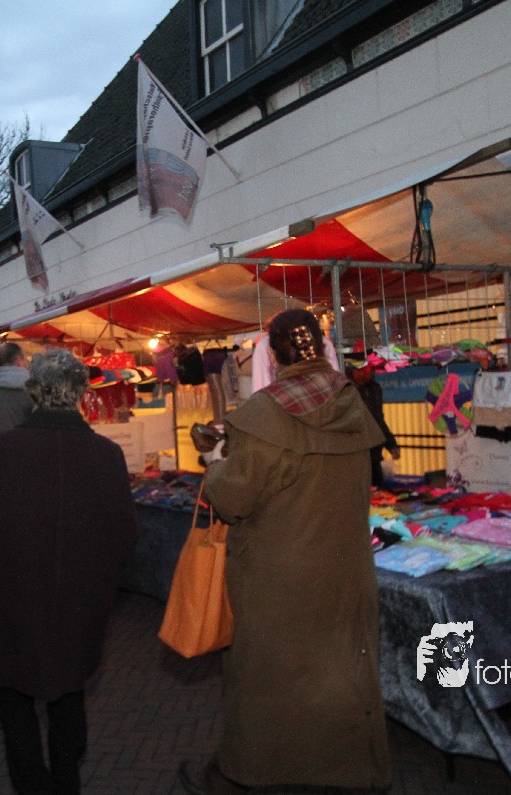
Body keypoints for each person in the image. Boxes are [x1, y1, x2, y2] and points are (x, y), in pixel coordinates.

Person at [181, 309, 391, 794]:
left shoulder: (265, 413)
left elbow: (232, 499)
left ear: (274, 356)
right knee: (341, 676)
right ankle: (345, 774)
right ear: (320, 346)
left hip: (277, 580)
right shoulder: (350, 401)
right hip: (344, 572)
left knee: (265, 684)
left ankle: (244, 777)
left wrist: (214, 460)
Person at [0, 348, 139, 795]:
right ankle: (65, 781)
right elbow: (126, 537)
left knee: (11, 696)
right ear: (81, 393)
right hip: (81, 600)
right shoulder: (107, 454)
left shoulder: (1, 451)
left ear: (33, 390)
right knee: (69, 691)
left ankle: (35, 784)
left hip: (17, 596)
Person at [347, 361, 400, 489]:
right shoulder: (345, 389)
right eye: (361, 370)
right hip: (354, 454)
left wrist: (391, 444)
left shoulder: (375, 389)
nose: (366, 374)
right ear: (351, 370)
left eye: (370, 370)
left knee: (378, 490)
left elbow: (378, 419)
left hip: (374, 452)